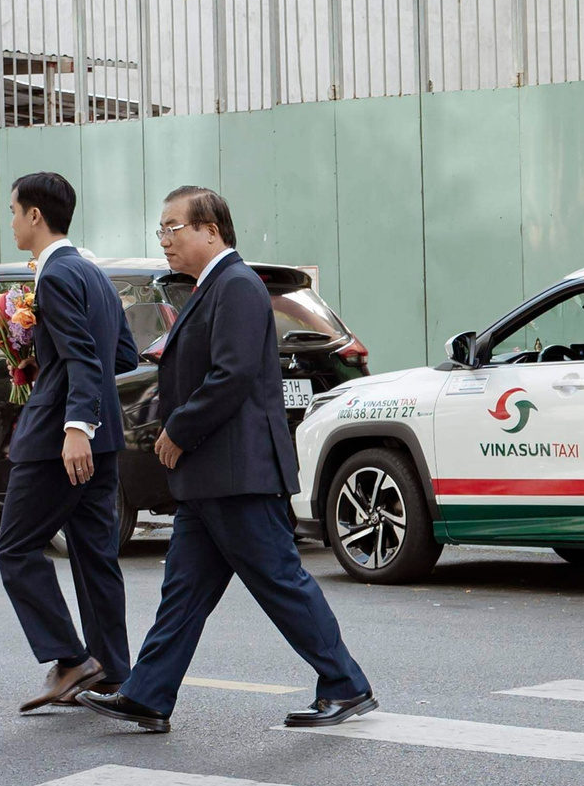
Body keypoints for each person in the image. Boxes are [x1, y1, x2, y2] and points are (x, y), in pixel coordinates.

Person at [80, 188, 376, 734]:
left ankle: (345, 684)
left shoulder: (236, 285)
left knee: (280, 580)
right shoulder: (208, 289)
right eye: (161, 230)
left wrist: (179, 430)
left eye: (174, 228)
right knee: (183, 593)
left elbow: (232, 373)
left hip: (236, 471)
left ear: (210, 231)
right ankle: (148, 693)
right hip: (210, 475)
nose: (165, 239)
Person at [0, 171, 142, 714]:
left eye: (14, 210)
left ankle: (69, 658)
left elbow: (84, 358)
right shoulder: (94, 274)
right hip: (102, 445)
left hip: (62, 444)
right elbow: (120, 356)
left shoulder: (55, 277)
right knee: (94, 555)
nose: (11, 220)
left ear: (36, 215)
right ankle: (112, 670)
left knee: (15, 548)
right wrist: (46, 362)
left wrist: (75, 426)